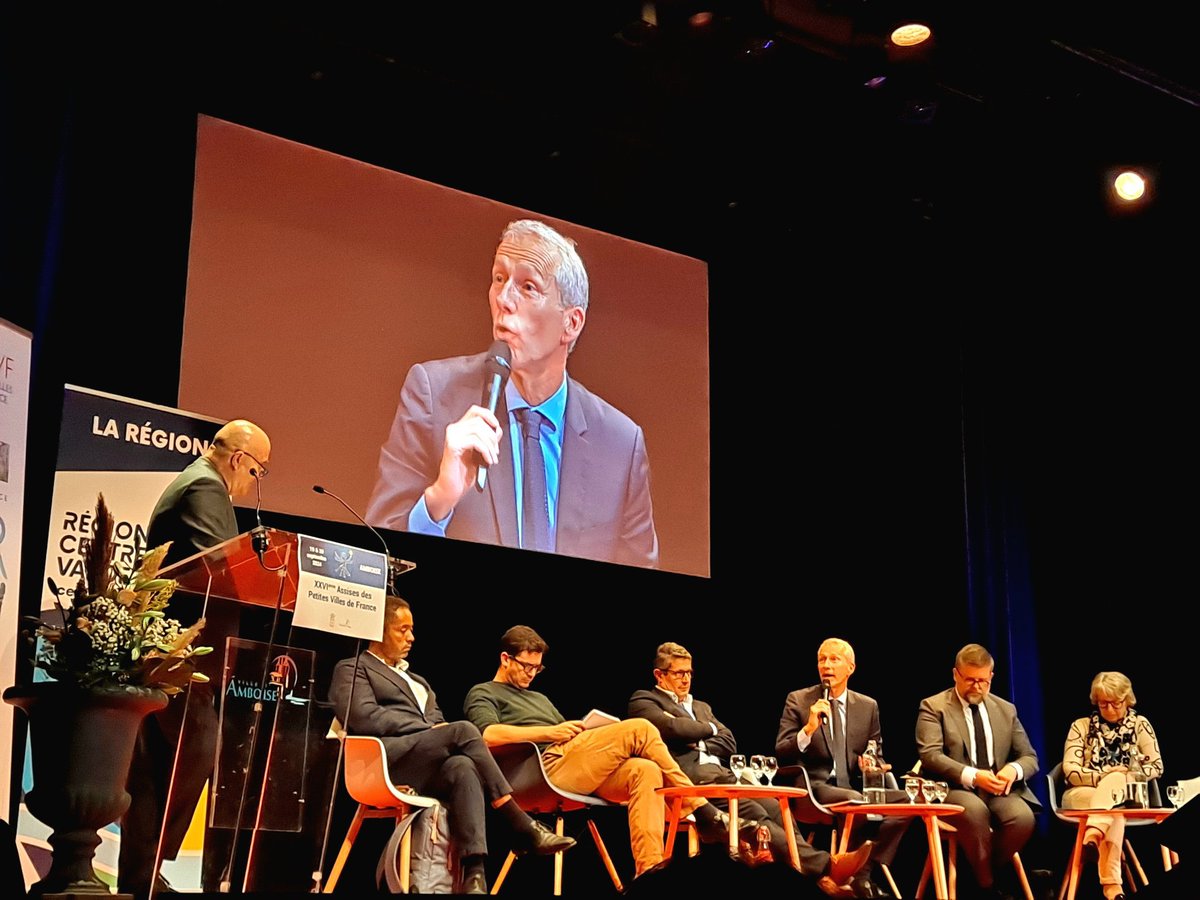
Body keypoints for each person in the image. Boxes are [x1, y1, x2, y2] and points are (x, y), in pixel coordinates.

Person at [365, 218, 658, 568]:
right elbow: (376, 550)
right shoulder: (434, 393)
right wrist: (440, 498)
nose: (503, 299)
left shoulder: (620, 443)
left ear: (572, 323)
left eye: (528, 287)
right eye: (499, 279)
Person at [119, 419, 272, 900]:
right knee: (197, 749)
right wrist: (273, 573)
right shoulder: (206, 486)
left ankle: (141, 877)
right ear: (239, 459)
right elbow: (222, 567)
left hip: (171, 649)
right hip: (178, 652)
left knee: (157, 765)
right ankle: (152, 861)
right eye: (259, 470)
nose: (254, 482)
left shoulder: (194, 482)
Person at [329, 596, 576, 894]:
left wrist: (436, 729)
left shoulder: (417, 680)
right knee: (464, 730)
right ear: (377, 631)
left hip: (424, 761)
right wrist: (429, 729)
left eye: (412, 629)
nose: (411, 637)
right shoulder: (353, 668)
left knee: (462, 766)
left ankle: (475, 875)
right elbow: (364, 717)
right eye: (402, 630)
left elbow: (437, 720)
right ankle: (520, 824)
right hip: (386, 760)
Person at [464, 625, 749, 880]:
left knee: (645, 770)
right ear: (505, 659)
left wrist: (584, 731)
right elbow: (487, 735)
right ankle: (702, 809)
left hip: (569, 763)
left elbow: (567, 737)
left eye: (537, 668)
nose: (532, 673)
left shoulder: (539, 697)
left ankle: (649, 876)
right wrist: (549, 732)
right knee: (640, 727)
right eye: (527, 666)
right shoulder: (484, 692)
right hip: (537, 773)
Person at [629, 641, 875, 897]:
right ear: (660, 675)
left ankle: (815, 877)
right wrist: (707, 729)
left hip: (723, 777)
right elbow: (672, 730)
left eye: (689, 673)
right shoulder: (644, 700)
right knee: (756, 814)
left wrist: (695, 732)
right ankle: (825, 868)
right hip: (688, 782)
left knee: (772, 805)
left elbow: (728, 741)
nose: (686, 679)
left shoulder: (700, 707)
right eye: (679, 673)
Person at [774, 638, 910, 899]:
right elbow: (782, 752)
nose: (827, 665)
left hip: (857, 784)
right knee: (855, 801)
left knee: (906, 802)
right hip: (816, 787)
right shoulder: (799, 700)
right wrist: (809, 729)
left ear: (851, 667)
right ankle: (859, 878)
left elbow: (876, 752)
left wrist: (873, 764)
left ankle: (862, 872)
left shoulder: (868, 706)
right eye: (822, 660)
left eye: (834, 659)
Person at [916, 643, 1041, 900]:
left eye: (983, 681)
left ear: (991, 677)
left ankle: (978, 876)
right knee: (975, 811)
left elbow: (1029, 757)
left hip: (997, 789)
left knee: (1023, 818)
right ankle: (986, 888)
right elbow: (930, 756)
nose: (977, 687)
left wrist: (1012, 771)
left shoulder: (1006, 710)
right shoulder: (933, 706)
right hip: (952, 788)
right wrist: (974, 776)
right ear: (955, 674)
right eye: (970, 680)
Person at [1061, 671, 1163, 900]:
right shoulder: (1081, 726)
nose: (1109, 709)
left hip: (1128, 796)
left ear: (1127, 700)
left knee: (1115, 800)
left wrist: (1128, 773)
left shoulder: (1140, 725)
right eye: (1103, 704)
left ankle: (1094, 834)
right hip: (1081, 795)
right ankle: (1112, 887)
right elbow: (1070, 769)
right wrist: (1105, 776)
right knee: (1113, 807)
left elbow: (1156, 766)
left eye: (1115, 703)